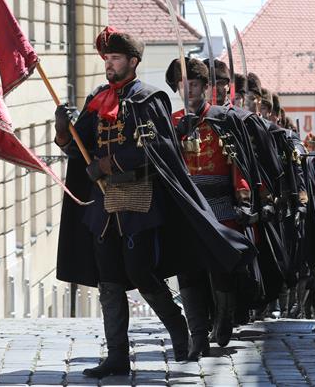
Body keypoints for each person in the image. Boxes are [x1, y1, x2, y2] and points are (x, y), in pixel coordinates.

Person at [54, 27, 254, 378]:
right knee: (109, 281)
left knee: (140, 273)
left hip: (139, 203)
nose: (109, 65)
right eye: (107, 59)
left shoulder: (150, 99)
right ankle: (117, 356)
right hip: (103, 206)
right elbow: (76, 148)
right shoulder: (98, 99)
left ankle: (179, 330)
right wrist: (61, 129)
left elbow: (159, 149)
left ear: (132, 61)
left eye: (115, 58)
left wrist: (108, 163)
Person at [166, 56, 258, 357]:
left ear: (205, 87)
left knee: (221, 269)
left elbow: (238, 163)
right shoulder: (172, 122)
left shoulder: (223, 119)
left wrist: (243, 198)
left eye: (194, 84)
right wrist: (179, 134)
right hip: (187, 205)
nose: (189, 90)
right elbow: (163, 163)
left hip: (219, 203)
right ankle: (198, 337)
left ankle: (224, 317)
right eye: (183, 85)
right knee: (188, 272)